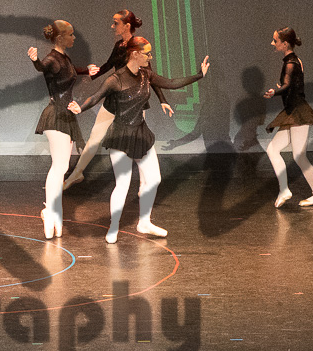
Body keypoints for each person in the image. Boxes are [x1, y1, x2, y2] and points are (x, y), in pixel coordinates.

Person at [68, 37, 209, 242]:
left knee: (154, 179)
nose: (150, 57)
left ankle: (144, 222)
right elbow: (95, 97)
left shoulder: (146, 75)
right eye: (147, 53)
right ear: (135, 54)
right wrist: (79, 108)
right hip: (121, 137)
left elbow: (170, 83)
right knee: (123, 184)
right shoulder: (116, 79)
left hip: (141, 134)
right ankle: (113, 227)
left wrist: (199, 75)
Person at [64, 8, 168, 188]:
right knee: (95, 137)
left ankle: (144, 183)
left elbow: (150, 77)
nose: (112, 26)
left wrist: (163, 100)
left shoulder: (138, 47)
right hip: (115, 101)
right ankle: (76, 173)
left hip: (134, 103)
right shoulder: (119, 46)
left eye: (116, 23)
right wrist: (91, 73)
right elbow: (108, 65)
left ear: (127, 25)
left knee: (138, 141)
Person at [27, 20, 90, 239]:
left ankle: (54, 211)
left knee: (62, 167)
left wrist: (87, 71)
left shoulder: (65, 58)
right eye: (71, 34)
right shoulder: (53, 59)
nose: (74, 37)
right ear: (60, 37)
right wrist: (35, 60)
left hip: (65, 115)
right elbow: (43, 67)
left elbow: (71, 72)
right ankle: (49, 210)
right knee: (58, 166)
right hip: (55, 116)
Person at [262, 26, 313, 208]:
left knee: (298, 156)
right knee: (273, 149)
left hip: (298, 114)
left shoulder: (291, 64)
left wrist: (275, 91)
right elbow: (290, 86)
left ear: (285, 44)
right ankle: (285, 189)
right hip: (293, 113)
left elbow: (287, 85)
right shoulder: (294, 61)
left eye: (275, 40)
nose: (272, 43)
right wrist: (282, 90)